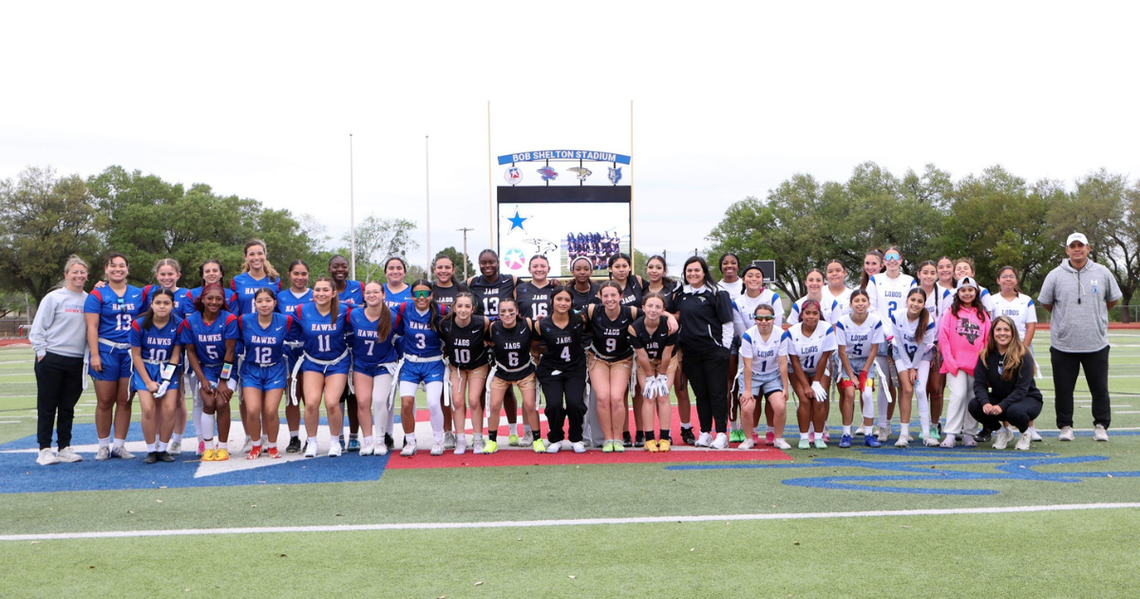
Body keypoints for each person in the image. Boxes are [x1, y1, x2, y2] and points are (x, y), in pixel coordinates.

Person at [1039, 232, 1122, 442]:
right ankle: (1065, 426)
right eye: (1073, 246)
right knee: (1063, 390)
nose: (1077, 249)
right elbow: (1046, 302)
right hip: (1063, 345)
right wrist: (1065, 321)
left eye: (1081, 245)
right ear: (1067, 250)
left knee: (1100, 388)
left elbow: (1113, 299)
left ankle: (1101, 425)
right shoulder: (1055, 275)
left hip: (1096, 343)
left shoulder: (1102, 272)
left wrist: (1097, 317)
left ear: (1088, 248)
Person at [85, 253, 145, 461]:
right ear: (106, 269)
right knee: (105, 401)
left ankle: (119, 445)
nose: (117, 269)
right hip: (106, 350)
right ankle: (103, 445)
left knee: (125, 400)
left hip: (129, 353)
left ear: (127, 269)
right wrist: (94, 354)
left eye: (122, 265)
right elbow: (92, 327)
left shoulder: (138, 293)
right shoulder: (97, 294)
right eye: (113, 266)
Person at [30, 256, 89, 465]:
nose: (79, 275)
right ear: (66, 275)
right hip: (52, 358)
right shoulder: (54, 298)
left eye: (82, 272)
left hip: (77, 361)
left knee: (67, 407)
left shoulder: (89, 299)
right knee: (47, 405)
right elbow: (39, 327)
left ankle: (64, 447)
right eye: (75, 272)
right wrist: (41, 353)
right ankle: (44, 449)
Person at [672, 256, 734, 449]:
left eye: (697, 270)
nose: (693, 274)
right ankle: (705, 432)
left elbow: (727, 323)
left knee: (717, 393)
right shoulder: (681, 294)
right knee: (701, 394)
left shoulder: (717, 292)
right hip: (691, 353)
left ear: (704, 272)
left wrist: (724, 348)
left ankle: (721, 433)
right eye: (689, 271)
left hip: (713, 352)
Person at [467, 249, 524, 445]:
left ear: (498, 262)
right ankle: (479, 432)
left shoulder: (511, 280)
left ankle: (513, 431)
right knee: (481, 389)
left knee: (507, 388)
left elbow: (531, 291)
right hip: (481, 339)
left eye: (491, 262)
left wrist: (553, 284)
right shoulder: (472, 283)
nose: (487, 266)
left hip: (504, 337)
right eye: (483, 262)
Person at [140, 259, 193, 455]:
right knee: (155, 398)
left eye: (170, 274)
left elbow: (189, 322)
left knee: (177, 398)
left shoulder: (186, 294)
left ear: (178, 275)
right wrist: (101, 284)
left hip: (177, 350)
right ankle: (156, 439)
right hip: (153, 351)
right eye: (162, 274)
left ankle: (177, 440)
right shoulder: (148, 292)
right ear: (157, 276)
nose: (166, 277)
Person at [179, 284, 238, 461]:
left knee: (221, 402)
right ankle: (208, 447)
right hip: (206, 369)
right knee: (208, 402)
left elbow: (230, 352)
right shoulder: (191, 321)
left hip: (226, 369)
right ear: (202, 299)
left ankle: (223, 447)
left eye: (219, 299)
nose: (214, 302)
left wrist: (223, 381)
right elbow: (191, 352)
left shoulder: (229, 319)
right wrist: (202, 378)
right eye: (210, 298)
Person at [294, 277, 351, 458]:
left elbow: (366, 313)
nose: (321, 293)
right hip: (313, 362)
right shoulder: (302, 310)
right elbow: (289, 329)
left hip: (337, 362)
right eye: (317, 290)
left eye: (325, 290)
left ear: (334, 293)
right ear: (313, 293)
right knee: (311, 403)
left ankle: (335, 441)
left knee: (332, 402)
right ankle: (311, 441)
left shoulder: (344, 310)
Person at [969, 316, 1044, 451]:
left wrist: (1001, 406)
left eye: (1006, 330)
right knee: (974, 405)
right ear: (992, 332)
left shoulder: (1022, 353)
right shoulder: (986, 354)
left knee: (1014, 411)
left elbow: (1021, 389)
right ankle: (1002, 432)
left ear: (1013, 332)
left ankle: (1025, 432)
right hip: (1001, 398)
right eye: (998, 329)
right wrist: (985, 402)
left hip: (1027, 398)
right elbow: (979, 383)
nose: (1002, 333)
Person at [393, 280, 449, 456]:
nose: (422, 297)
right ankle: (410, 441)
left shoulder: (441, 310)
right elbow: (383, 313)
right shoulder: (404, 308)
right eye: (418, 294)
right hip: (410, 363)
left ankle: (438, 440)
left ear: (432, 295)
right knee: (406, 403)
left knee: (433, 402)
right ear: (411, 296)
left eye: (426, 293)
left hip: (433, 362)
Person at [237, 288, 295, 458]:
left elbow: (299, 337)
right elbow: (235, 341)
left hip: (275, 369)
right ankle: (255, 445)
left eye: (268, 300)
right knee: (252, 410)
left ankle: (272, 445)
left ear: (275, 303)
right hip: (251, 369)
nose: (264, 304)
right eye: (260, 301)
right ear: (254, 303)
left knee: (270, 410)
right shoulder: (244, 320)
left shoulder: (285, 320)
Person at [865, 246, 914, 442]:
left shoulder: (909, 280)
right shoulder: (875, 280)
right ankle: (883, 426)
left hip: (902, 337)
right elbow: (871, 307)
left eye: (895, 257)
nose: (892, 260)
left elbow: (911, 307)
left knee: (904, 384)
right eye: (888, 257)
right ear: (883, 261)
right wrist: (886, 331)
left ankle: (904, 427)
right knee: (885, 383)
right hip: (882, 336)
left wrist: (898, 332)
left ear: (901, 260)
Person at [129, 289, 183, 464]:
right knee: (148, 409)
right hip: (145, 368)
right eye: (158, 302)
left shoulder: (178, 323)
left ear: (173, 305)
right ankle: (151, 449)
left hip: (168, 368)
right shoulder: (139, 323)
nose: (162, 306)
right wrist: (148, 382)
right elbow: (136, 355)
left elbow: (176, 354)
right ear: (151, 304)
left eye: (166, 303)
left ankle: (163, 449)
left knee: (169, 409)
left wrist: (166, 380)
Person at [483, 298, 544, 454]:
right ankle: (492, 440)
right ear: (498, 314)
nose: (507, 314)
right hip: (502, 371)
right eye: (503, 311)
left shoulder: (527, 324)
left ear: (517, 311)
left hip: (525, 371)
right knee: (494, 405)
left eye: (511, 310)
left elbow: (539, 338)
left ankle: (537, 439)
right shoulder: (493, 327)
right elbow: (485, 341)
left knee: (530, 405)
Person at [937, 276, 990, 448]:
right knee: (958, 395)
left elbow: (988, 340)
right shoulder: (950, 313)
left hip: (976, 366)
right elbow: (943, 338)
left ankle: (969, 433)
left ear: (976, 292)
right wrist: (950, 361)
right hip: (955, 365)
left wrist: (983, 363)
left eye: (970, 290)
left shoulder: (982, 314)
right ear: (958, 293)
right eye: (963, 290)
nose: (967, 293)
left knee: (973, 398)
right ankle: (951, 434)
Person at [349, 281, 399, 456]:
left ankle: (380, 440)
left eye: (376, 292)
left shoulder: (392, 316)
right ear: (363, 295)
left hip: (384, 364)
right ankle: (368, 440)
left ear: (383, 295)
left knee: (379, 400)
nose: (371, 295)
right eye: (368, 292)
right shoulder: (355, 314)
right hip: (362, 364)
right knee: (363, 402)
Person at [991, 266, 1041, 441]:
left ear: (1016, 280)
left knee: (1026, 386)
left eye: (1011, 276)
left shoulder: (1026, 300)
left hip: (1021, 348)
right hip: (1000, 349)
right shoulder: (992, 300)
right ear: (998, 280)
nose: (1008, 279)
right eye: (1004, 276)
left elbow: (1030, 326)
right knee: (1002, 386)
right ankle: (1006, 428)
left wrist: (1022, 350)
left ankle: (1030, 427)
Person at [439, 292, 490, 454]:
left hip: (477, 365)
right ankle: (460, 439)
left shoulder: (482, 322)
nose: (463, 309)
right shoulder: (445, 324)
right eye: (459, 306)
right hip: (457, 367)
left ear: (473, 309)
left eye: (467, 306)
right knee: (458, 401)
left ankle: (478, 438)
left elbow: (493, 336)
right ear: (454, 307)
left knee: (474, 400)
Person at [784, 300, 837, 449]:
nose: (811, 316)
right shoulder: (792, 332)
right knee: (805, 399)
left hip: (819, 369)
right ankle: (804, 437)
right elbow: (794, 362)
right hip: (798, 370)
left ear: (819, 315)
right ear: (801, 314)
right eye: (807, 313)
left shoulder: (826, 329)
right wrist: (806, 386)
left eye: (815, 313)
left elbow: (825, 357)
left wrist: (816, 383)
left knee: (819, 399)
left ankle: (819, 436)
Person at [834, 289, 884, 448]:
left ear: (869, 303)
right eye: (856, 301)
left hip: (866, 362)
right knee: (849, 394)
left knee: (867, 394)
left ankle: (869, 434)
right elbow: (842, 351)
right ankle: (846, 433)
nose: (860, 304)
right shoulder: (843, 322)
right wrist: (852, 376)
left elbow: (875, 349)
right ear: (850, 304)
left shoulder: (875, 321)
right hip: (847, 362)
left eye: (863, 300)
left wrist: (864, 371)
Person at [738, 304, 791, 450]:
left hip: (772, 375)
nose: (763, 321)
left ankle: (778, 438)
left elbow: (782, 362)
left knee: (780, 406)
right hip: (753, 375)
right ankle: (749, 438)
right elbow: (747, 365)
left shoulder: (781, 334)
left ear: (773, 319)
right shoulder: (749, 335)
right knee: (747, 407)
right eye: (759, 318)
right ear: (754, 319)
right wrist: (747, 389)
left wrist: (785, 387)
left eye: (767, 318)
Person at [630, 292, 679, 452]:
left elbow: (667, 353)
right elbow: (642, 355)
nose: (653, 309)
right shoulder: (634, 328)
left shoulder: (670, 327)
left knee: (663, 395)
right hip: (646, 362)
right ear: (643, 307)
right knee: (649, 396)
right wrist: (650, 377)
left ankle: (665, 437)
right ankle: (649, 438)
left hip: (666, 361)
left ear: (663, 310)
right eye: (650, 306)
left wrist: (662, 375)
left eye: (658, 306)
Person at [889, 288, 936, 447]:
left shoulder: (928, 321)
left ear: (924, 304)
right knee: (907, 390)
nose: (915, 304)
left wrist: (914, 367)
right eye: (913, 300)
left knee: (920, 390)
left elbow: (922, 347)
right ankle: (904, 434)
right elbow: (899, 343)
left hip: (921, 356)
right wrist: (909, 367)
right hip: (901, 354)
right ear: (907, 300)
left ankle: (927, 435)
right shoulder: (897, 316)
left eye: (919, 301)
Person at [277, 260, 313, 452]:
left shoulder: (315, 295)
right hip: (288, 351)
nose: (300, 277)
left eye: (304, 273)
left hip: (309, 350)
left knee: (310, 397)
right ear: (289, 275)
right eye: (296, 273)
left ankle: (311, 437)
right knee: (292, 396)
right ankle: (294, 437)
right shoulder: (280, 297)